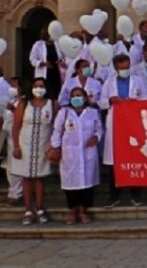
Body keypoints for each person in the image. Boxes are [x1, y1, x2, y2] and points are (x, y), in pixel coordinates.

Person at [99, 54, 147, 207]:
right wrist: (110, 100)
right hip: (116, 126)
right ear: (115, 68)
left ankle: (136, 195)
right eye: (122, 68)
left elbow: (146, 99)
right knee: (114, 162)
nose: (125, 70)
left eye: (127, 67)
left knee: (134, 159)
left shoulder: (138, 81)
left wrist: (136, 102)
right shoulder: (109, 83)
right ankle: (114, 196)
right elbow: (101, 103)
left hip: (133, 124)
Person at [50, 87, 102, 225]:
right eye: (73, 96)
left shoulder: (92, 112)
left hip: (88, 153)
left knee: (88, 183)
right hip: (70, 154)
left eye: (79, 95)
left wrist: (96, 137)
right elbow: (57, 131)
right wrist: (56, 147)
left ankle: (83, 210)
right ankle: (72, 210)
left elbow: (99, 129)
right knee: (71, 184)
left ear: (85, 98)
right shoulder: (64, 113)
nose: (76, 98)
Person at [11, 77, 57, 225]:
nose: (39, 88)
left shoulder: (52, 104)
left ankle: (39, 207)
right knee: (26, 178)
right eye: (36, 86)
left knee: (39, 178)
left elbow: (56, 125)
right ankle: (28, 209)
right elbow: (16, 126)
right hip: (25, 144)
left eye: (42, 86)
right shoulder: (24, 103)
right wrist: (16, 146)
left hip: (43, 144)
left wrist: (54, 145)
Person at [0, 78, 23, 206]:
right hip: (8, 137)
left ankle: (16, 194)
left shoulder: (23, 102)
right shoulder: (13, 101)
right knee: (9, 167)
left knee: (15, 167)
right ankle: (12, 193)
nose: (11, 87)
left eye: (14, 85)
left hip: (17, 137)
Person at [29, 27, 65, 98]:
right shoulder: (38, 44)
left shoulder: (57, 44)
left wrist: (60, 61)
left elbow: (63, 56)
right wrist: (43, 63)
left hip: (56, 73)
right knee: (45, 92)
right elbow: (32, 59)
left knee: (56, 92)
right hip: (44, 73)